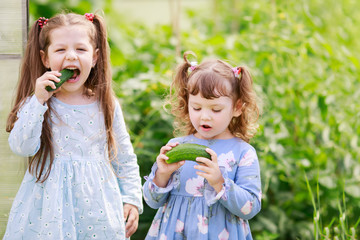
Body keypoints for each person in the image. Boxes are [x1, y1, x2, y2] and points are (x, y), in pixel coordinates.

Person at [4, 12, 143, 239]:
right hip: (47, 212)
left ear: (95, 57)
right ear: (45, 59)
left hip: (97, 209)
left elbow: (124, 157)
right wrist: (38, 101)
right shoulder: (37, 104)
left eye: (80, 49)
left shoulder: (105, 104)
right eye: (60, 50)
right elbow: (21, 147)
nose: (71, 56)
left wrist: (131, 199)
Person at [143, 51, 262, 240]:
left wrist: (219, 183)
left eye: (216, 109)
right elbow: (151, 201)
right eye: (196, 107)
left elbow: (250, 208)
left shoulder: (243, 152)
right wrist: (162, 174)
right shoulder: (176, 147)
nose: (204, 116)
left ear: (237, 107)